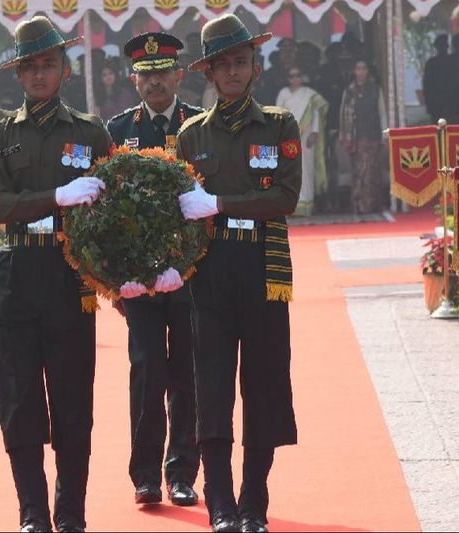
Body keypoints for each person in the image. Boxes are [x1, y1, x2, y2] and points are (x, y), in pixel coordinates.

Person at [0, 15, 112, 533]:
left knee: (74, 402)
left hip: (69, 272)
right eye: (29, 66)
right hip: (17, 271)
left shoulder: (90, 132)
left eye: (48, 64)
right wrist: (55, 196)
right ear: (17, 73)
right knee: (20, 401)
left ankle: (70, 514)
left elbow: (113, 206)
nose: (39, 74)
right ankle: (32, 513)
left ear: (65, 70)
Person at [175, 14, 300, 533]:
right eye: (223, 63)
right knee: (212, 388)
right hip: (211, 271)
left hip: (262, 266)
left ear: (255, 67)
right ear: (208, 72)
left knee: (263, 385)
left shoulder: (279, 125)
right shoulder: (191, 136)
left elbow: (285, 198)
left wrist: (221, 203)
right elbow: (178, 213)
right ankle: (221, 502)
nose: (232, 71)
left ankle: (254, 504)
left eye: (241, 62)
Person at [105, 31, 204, 509]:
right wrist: (112, 280)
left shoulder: (198, 126)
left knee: (187, 373)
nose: (155, 83)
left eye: (163, 73)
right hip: (139, 278)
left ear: (179, 75)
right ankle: (144, 474)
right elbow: (104, 206)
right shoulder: (118, 130)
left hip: (190, 274)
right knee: (146, 372)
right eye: (146, 76)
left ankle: (182, 472)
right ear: (134, 80)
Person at [276, 66, 326, 216]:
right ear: (288, 79)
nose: (295, 78)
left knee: (306, 170)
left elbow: (316, 113)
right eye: (292, 76)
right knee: (290, 170)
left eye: (298, 75)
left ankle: (306, 206)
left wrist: (314, 133)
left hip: (306, 138)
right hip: (288, 136)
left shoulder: (309, 94)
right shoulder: (283, 93)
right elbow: (278, 114)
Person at [339, 58, 386, 215]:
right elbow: (343, 114)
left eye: (364, 68)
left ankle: (372, 204)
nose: (361, 71)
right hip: (356, 137)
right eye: (358, 68)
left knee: (372, 171)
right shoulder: (349, 91)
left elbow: (382, 112)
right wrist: (345, 136)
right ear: (354, 71)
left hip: (373, 134)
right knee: (360, 171)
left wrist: (384, 133)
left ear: (368, 71)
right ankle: (360, 205)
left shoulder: (375, 89)